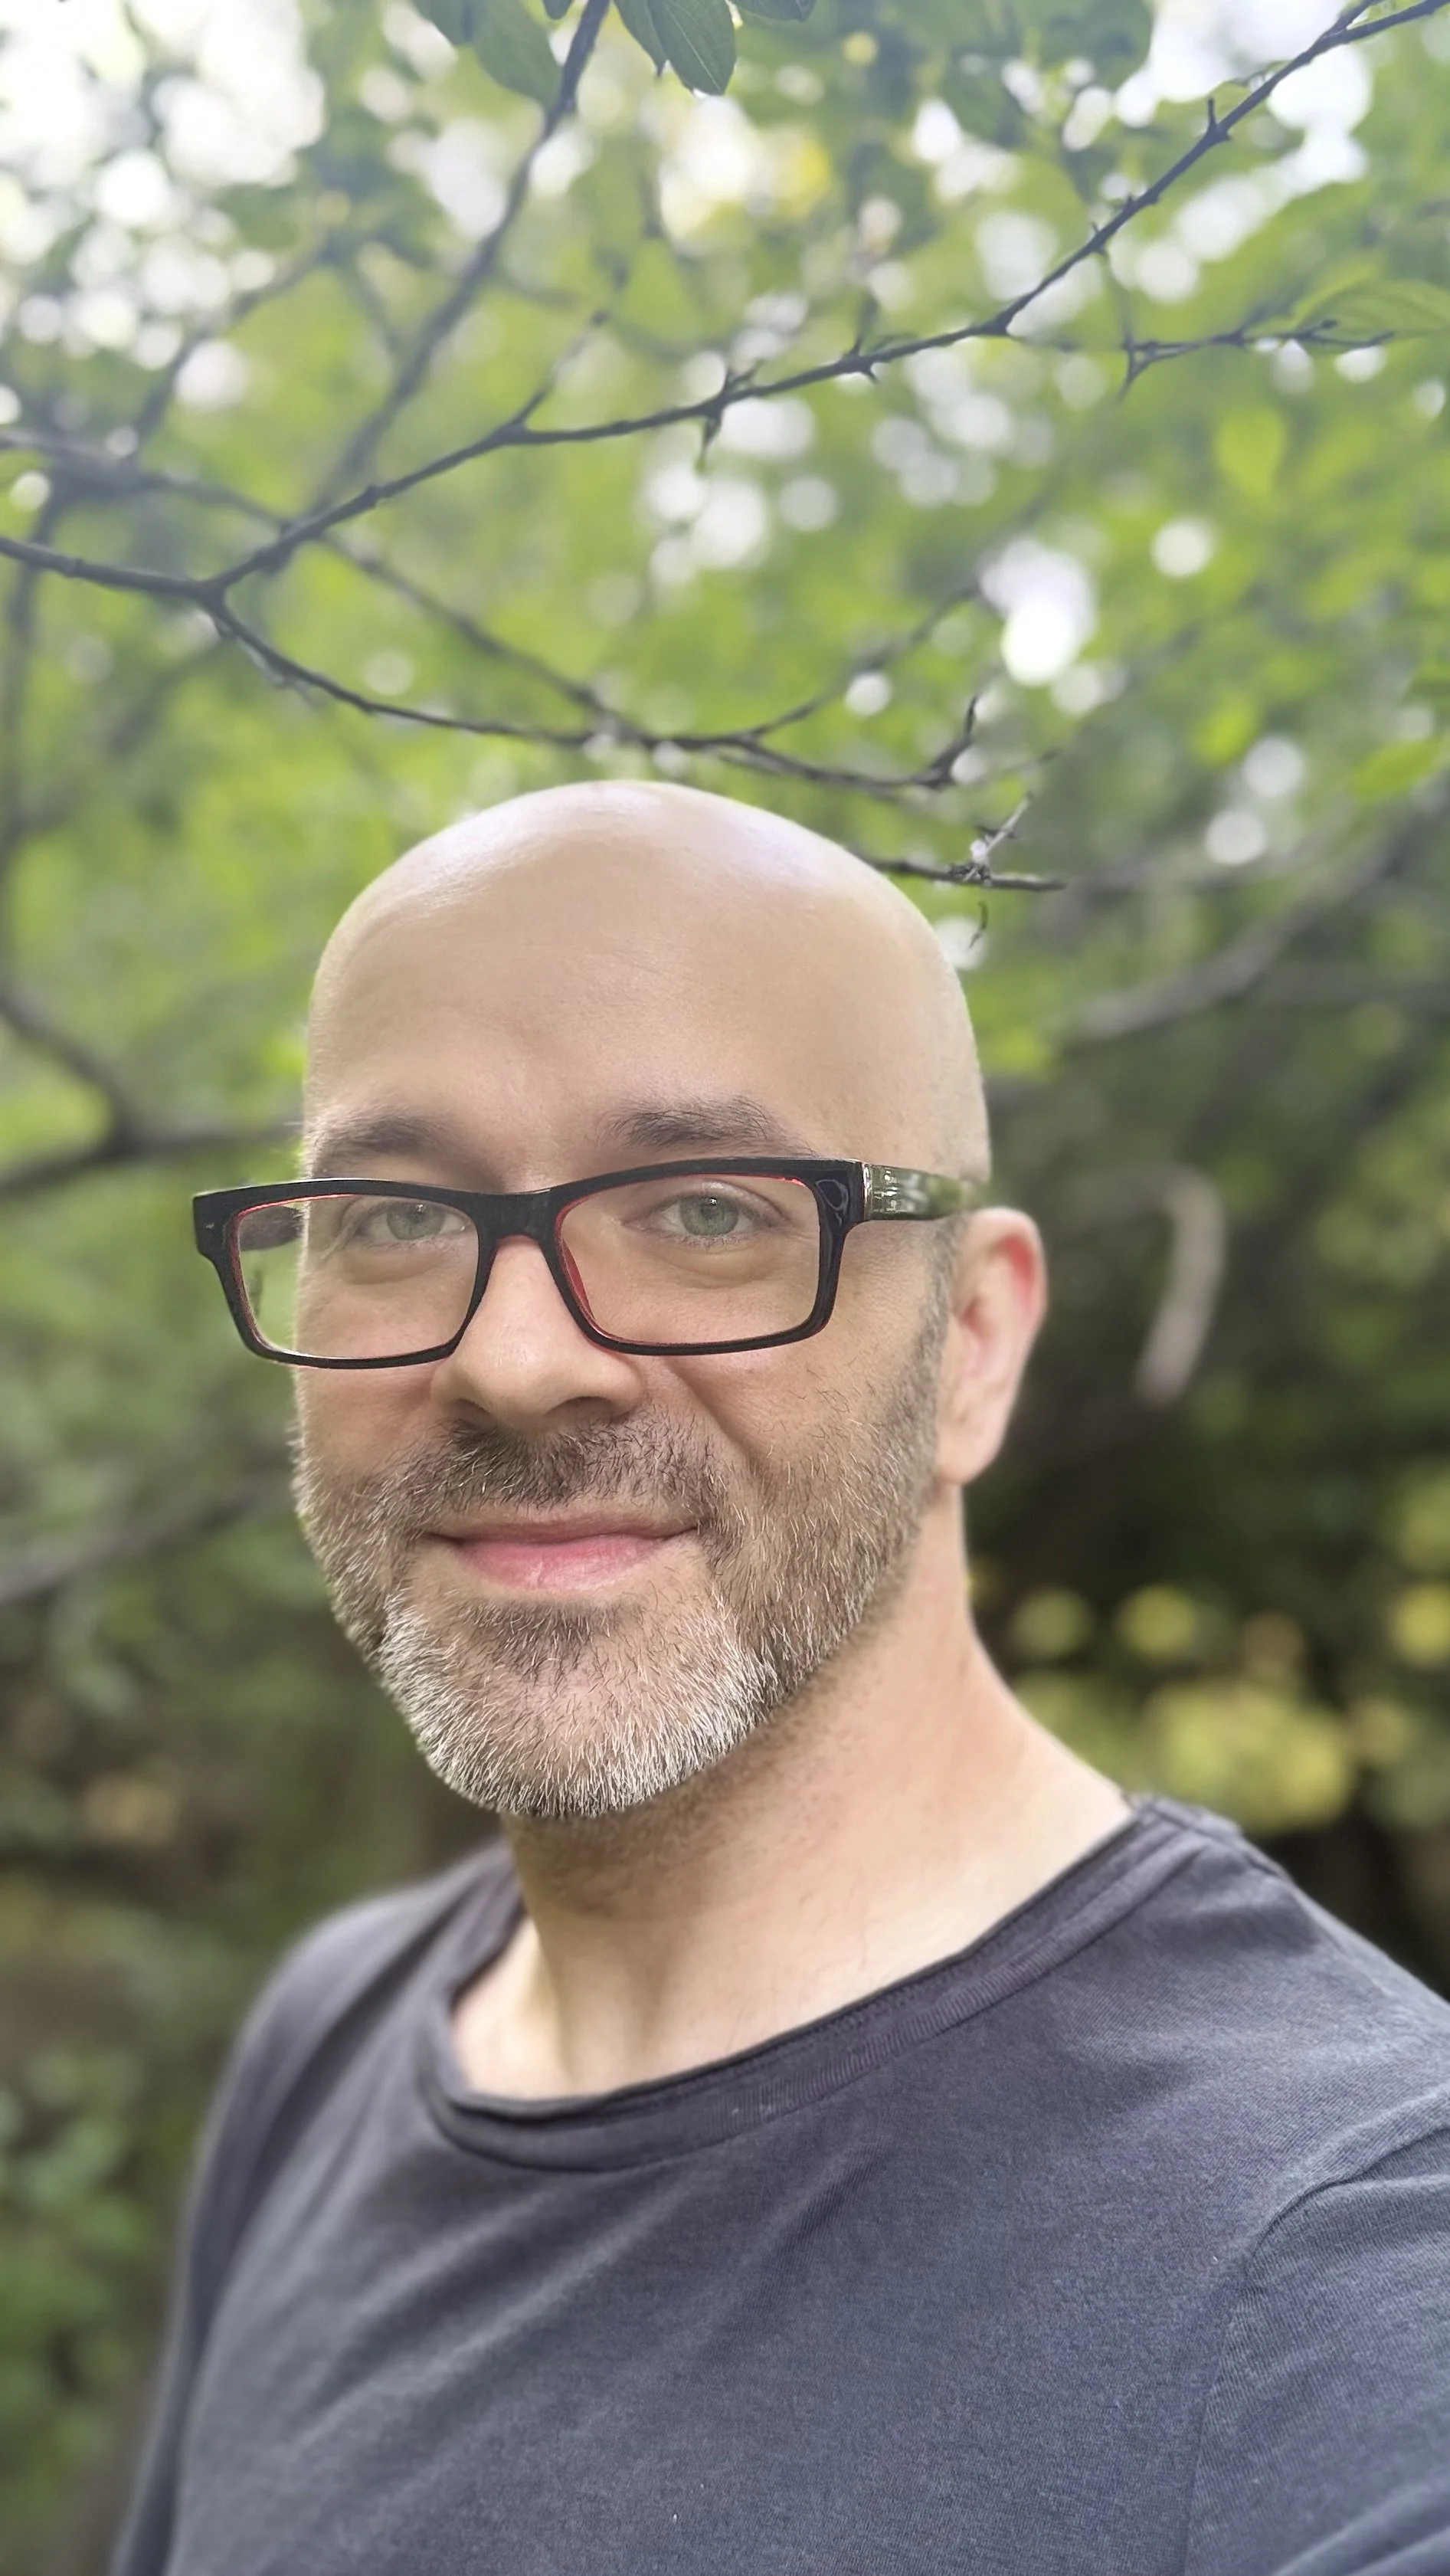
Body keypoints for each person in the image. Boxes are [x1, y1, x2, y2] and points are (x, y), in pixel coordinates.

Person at [113, 782, 1450, 2576]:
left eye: (710, 1211)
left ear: (969, 1343)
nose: (520, 1360)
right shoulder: (336, 2040)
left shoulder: (1347, 2274)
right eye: (391, 1217)